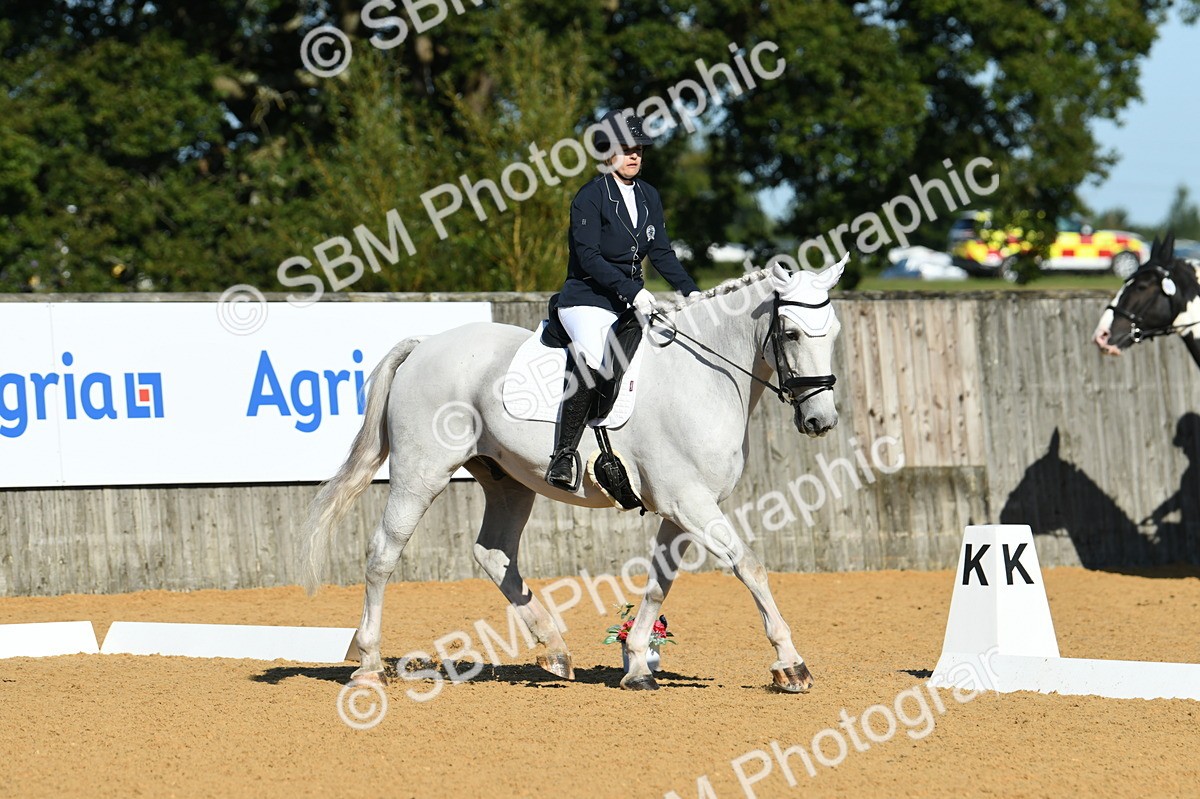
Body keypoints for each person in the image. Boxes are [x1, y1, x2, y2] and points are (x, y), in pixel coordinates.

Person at [545, 110, 701, 490]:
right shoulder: (590, 197)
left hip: (629, 303)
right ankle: (563, 455)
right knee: (593, 355)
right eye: (626, 149)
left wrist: (693, 292)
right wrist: (633, 291)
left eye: (639, 150)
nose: (634, 156)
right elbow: (588, 257)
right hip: (586, 299)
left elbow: (661, 253)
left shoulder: (649, 196)